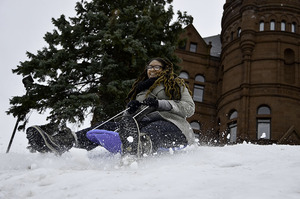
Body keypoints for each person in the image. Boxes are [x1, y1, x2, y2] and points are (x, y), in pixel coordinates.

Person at [26, 57, 195, 157]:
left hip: (174, 127)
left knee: (156, 127)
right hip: (142, 126)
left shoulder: (175, 85)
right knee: (108, 125)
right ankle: (63, 142)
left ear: (165, 69)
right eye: (149, 67)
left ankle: (138, 147)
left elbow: (189, 108)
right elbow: (136, 116)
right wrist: (133, 107)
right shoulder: (141, 90)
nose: (151, 69)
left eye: (156, 67)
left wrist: (160, 103)